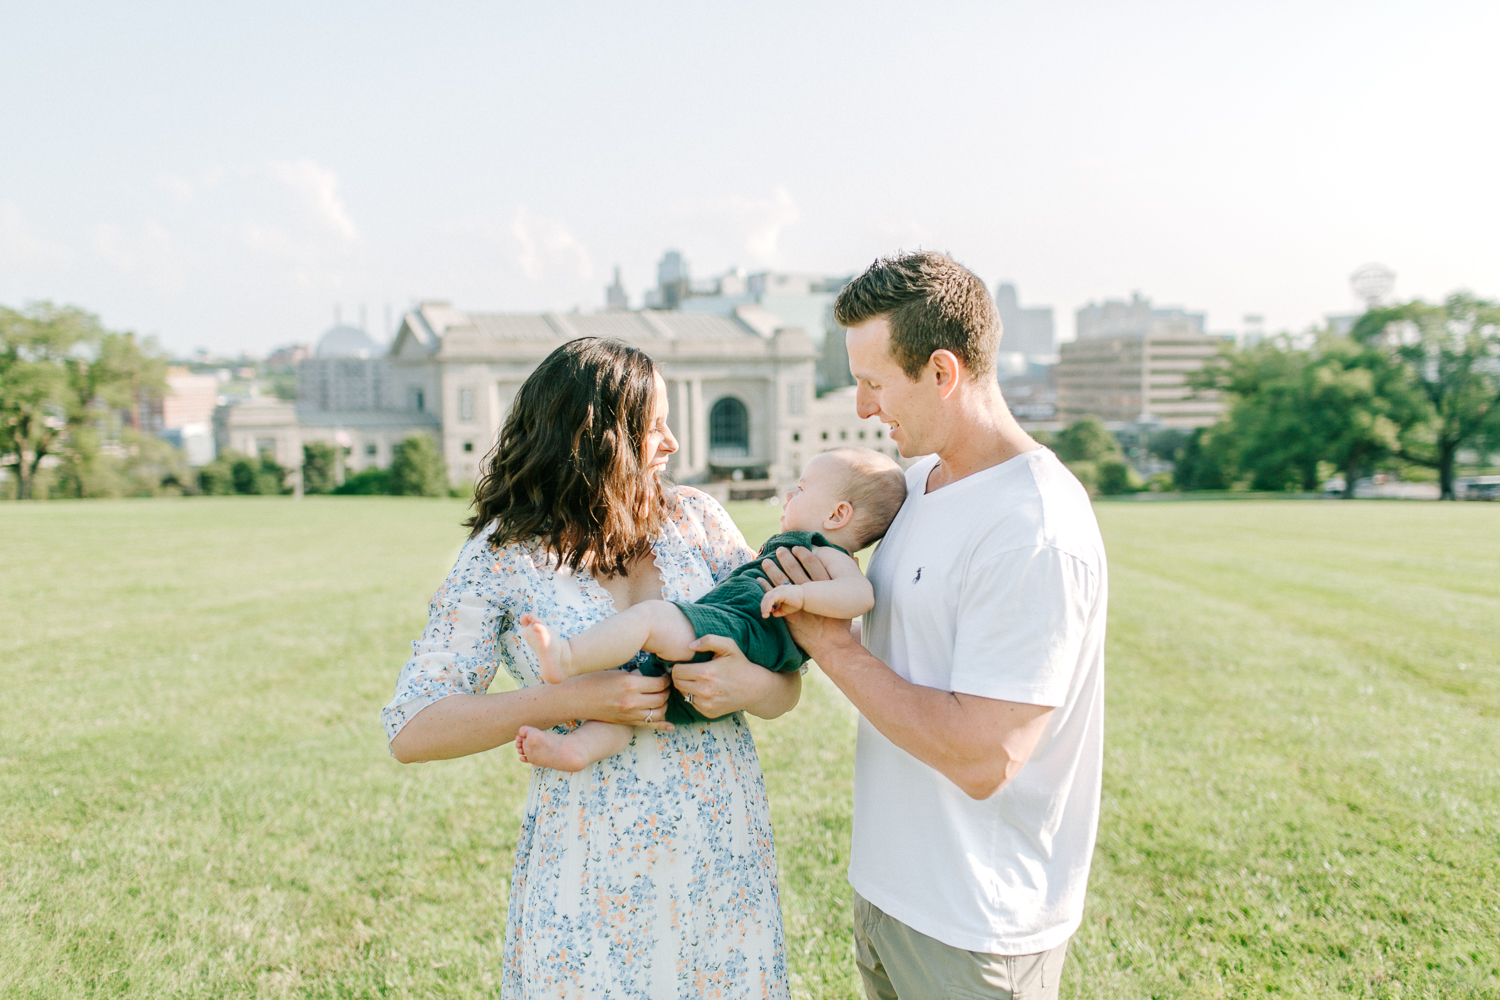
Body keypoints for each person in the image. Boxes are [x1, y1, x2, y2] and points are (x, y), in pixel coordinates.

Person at [382, 337, 800, 998]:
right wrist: (580, 698)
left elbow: (783, 682)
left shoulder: (698, 523)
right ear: (593, 439)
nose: (672, 444)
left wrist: (754, 685)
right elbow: (413, 729)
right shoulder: (504, 554)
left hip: (718, 847)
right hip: (592, 861)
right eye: (652, 427)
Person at [756, 252, 1107, 999]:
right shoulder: (914, 487)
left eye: (875, 383)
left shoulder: (1032, 526)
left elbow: (985, 758)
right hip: (890, 896)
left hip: (977, 928)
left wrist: (829, 645)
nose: (861, 407)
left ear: (943, 372)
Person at [515, 447, 906, 772]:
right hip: (733, 640)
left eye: (801, 489)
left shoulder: (827, 554)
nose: (789, 496)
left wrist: (803, 599)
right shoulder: (794, 548)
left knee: (652, 618)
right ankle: (577, 751)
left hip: (743, 631)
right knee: (642, 698)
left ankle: (567, 656)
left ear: (837, 515)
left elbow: (860, 597)